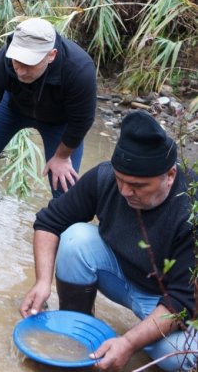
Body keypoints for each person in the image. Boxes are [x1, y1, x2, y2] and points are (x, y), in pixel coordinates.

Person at [20, 111, 197, 371]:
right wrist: (42, 281)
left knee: (177, 355)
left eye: (138, 185)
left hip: (168, 299)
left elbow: (182, 303)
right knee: (75, 238)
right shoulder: (103, 178)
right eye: (120, 180)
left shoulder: (191, 211)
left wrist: (127, 342)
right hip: (121, 276)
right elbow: (49, 222)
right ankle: (78, 336)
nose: (125, 192)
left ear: (169, 176)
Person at [0, 17, 97, 198]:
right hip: (12, 110)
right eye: (17, 62)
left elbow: (82, 121)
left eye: (29, 64)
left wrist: (61, 156)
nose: (20, 71)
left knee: (64, 186)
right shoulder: (3, 61)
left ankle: (62, 225)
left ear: (51, 55)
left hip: (60, 122)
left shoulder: (79, 69)